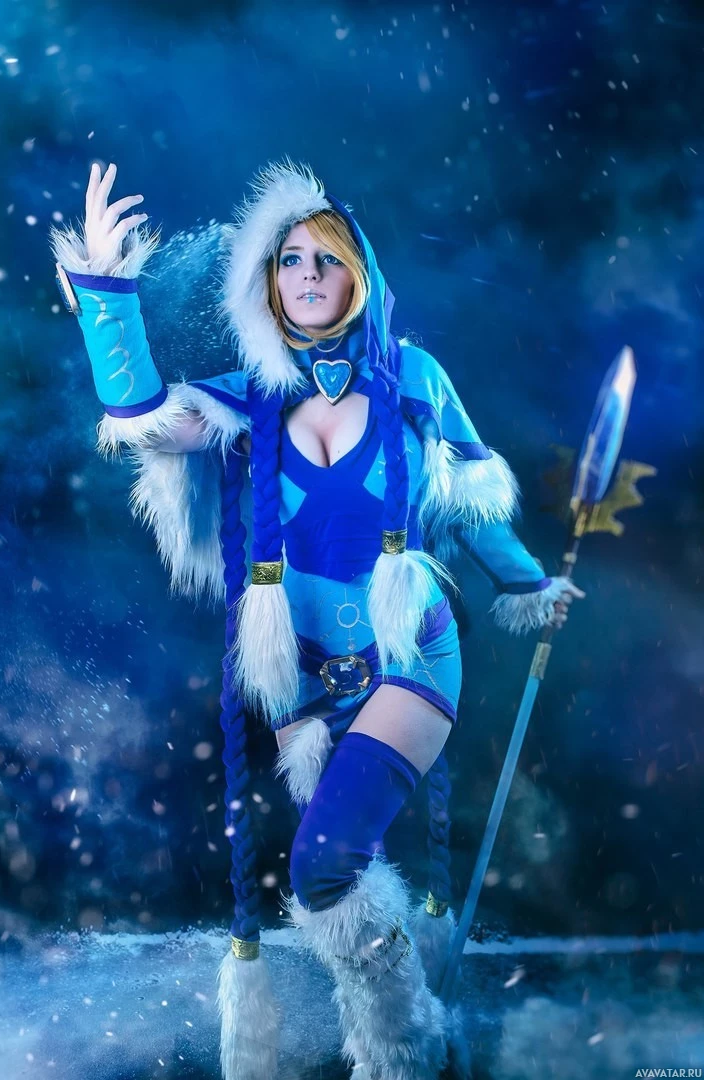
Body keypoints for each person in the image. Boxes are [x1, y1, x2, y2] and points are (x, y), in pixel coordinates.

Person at [51, 158, 585, 1080]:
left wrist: (528, 585)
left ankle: (404, 1050)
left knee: (323, 869)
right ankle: (406, 1040)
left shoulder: (414, 377)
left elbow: (469, 502)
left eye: (326, 258)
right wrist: (105, 284)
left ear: (357, 275)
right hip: (302, 683)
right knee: (344, 871)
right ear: (269, 282)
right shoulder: (247, 398)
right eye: (290, 260)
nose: (307, 275)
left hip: (410, 656)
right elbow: (138, 415)